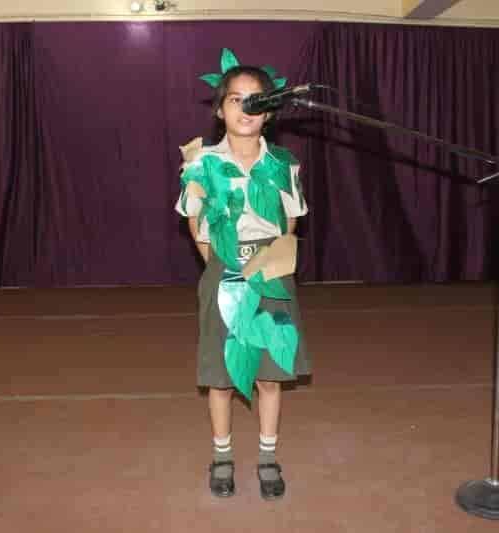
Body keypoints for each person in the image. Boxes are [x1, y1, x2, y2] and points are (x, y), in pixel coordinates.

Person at [175, 48, 311, 500]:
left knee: (269, 374)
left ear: (268, 112)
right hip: (225, 272)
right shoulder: (201, 163)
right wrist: (223, 264)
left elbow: (290, 222)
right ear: (220, 109)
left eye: (256, 100)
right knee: (223, 375)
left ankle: (268, 457)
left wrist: (266, 263)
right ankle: (222, 455)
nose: (246, 108)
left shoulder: (284, 164)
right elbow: (196, 223)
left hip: (272, 271)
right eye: (235, 99)